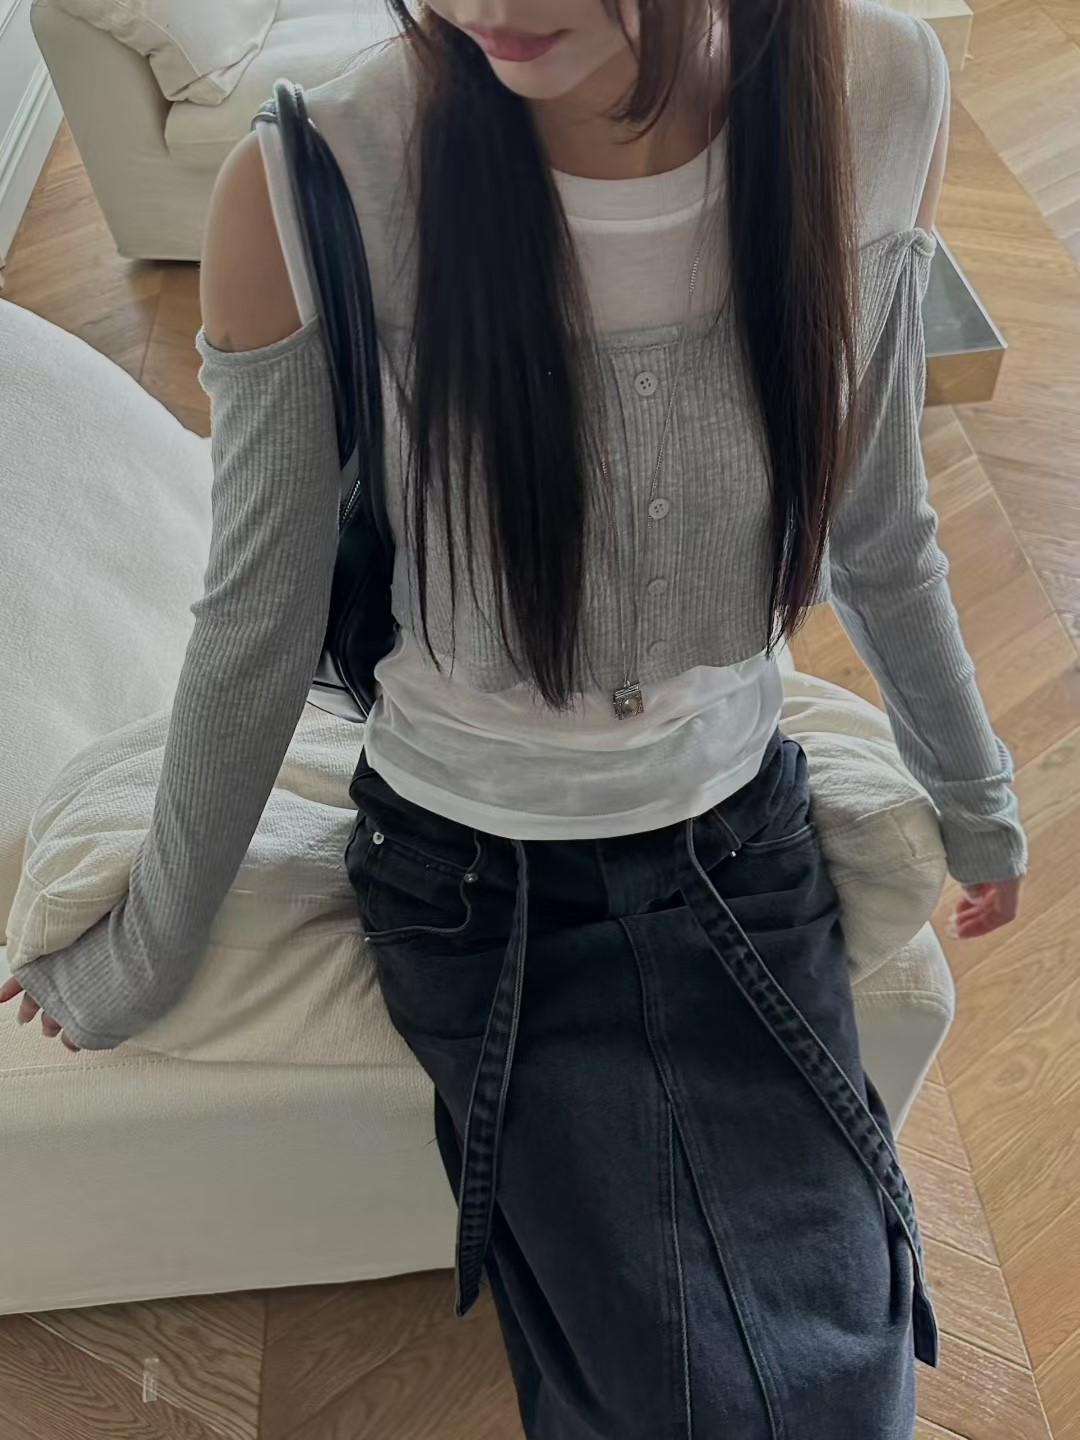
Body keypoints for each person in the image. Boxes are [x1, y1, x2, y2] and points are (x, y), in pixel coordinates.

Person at [4, 1, 1027, 1434]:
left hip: (747, 844)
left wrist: (976, 794)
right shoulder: (312, 182)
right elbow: (257, 625)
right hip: (474, 884)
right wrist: (144, 947)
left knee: (838, 1371)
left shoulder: (882, 91)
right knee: (669, 1384)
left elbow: (877, 524)